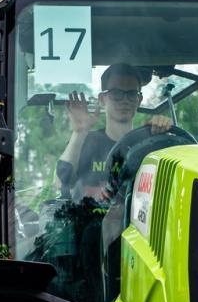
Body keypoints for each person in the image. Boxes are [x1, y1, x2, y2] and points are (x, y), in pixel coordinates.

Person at [56, 63, 170, 200]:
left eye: (132, 94)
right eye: (116, 93)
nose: (124, 100)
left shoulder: (149, 146)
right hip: (89, 219)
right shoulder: (85, 141)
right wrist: (79, 131)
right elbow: (60, 182)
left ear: (139, 100)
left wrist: (163, 134)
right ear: (102, 99)